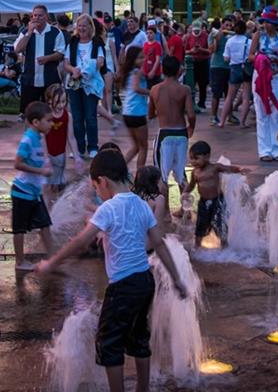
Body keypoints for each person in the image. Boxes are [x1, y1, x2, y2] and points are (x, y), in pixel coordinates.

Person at [35, 149, 189, 392]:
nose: (97, 192)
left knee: (109, 343)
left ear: (102, 182)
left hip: (123, 287)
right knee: (139, 337)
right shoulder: (140, 204)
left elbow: (80, 241)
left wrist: (51, 262)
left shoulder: (108, 208)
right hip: (144, 281)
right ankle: (143, 388)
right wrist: (177, 279)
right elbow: (158, 243)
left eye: (96, 187)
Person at [12, 100, 57, 271]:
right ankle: (20, 261)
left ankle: (53, 257)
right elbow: (17, 163)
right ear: (36, 122)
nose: (51, 124)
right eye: (48, 120)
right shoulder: (28, 139)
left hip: (34, 192)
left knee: (45, 224)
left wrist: (45, 168)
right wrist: (41, 172)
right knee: (19, 228)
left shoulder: (38, 138)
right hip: (22, 191)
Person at [148, 54, 196, 196]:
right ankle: (185, 210)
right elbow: (191, 114)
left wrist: (162, 111)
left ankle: (166, 212)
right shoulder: (184, 89)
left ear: (162, 70)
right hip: (181, 133)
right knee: (181, 174)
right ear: (178, 71)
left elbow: (150, 114)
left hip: (164, 134)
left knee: (161, 176)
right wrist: (191, 127)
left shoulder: (155, 90)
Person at [65, 13, 109, 158]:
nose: (82, 28)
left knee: (90, 116)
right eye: (80, 25)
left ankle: (92, 147)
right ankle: (78, 147)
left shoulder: (96, 43)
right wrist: (73, 70)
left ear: (90, 27)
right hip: (75, 84)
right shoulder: (72, 43)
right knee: (77, 117)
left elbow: (100, 61)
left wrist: (86, 70)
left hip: (90, 84)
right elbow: (66, 63)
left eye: (85, 25)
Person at [187, 140, 246, 246]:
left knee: (220, 226)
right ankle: (197, 246)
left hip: (217, 201)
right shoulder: (195, 172)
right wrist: (185, 193)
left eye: (196, 158)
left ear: (207, 156)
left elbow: (228, 168)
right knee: (200, 226)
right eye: (191, 158)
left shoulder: (215, 168)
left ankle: (224, 247)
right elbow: (191, 185)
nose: (193, 161)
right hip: (203, 203)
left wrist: (239, 169)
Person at [15, 4, 66, 110]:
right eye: (35, 15)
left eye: (40, 16)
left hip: (50, 78)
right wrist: (29, 33)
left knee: (52, 110)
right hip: (29, 79)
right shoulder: (25, 32)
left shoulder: (55, 32)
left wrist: (47, 58)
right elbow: (17, 49)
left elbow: (61, 53)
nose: (37, 18)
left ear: (46, 17)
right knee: (28, 112)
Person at [119, 45, 150, 171]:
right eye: (140, 58)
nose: (143, 59)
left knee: (136, 146)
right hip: (137, 113)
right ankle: (140, 174)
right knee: (143, 146)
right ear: (133, 59)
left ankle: (120, 169)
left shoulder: (128, 73)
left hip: (127, 113)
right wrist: (151, 92)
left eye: (143, 57)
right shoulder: (137, 72)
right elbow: (136, 88)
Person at [252, 49, 278, 163]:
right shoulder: (258, 36)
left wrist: (277, 60)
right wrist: (261, 59)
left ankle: (276, 149)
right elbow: (250, 56)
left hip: (276, 77)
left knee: (275, 117)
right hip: (260, 75)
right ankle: (264, 151)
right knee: (261, 116)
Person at [43, 82, 72, 201]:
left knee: (57, 185)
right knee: (45, 185)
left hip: (60, 156)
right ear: (49, 101)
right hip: (47, 154)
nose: (61, 105)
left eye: (63, 101)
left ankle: (53, 211)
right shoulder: (46, 116)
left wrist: (77, 156)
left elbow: (72, 138)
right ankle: (45, 209)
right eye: (58, 102)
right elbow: (42, 138)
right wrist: (45, 157)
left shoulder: (67, 116)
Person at [207, 17, 232, 128]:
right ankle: (213, 116)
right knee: (216, 93)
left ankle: (230, 115)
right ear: (222, 25)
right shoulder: (214, 35)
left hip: (229, 67)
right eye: (226, 25)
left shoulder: (232, 36)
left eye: (230, 25)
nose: (228, 27)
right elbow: (211, 50)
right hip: (217, 66)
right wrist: (218, 37)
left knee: (229, 93)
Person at [133, 165, 173, 229]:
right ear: (156, 182)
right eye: (161, 180)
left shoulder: (133, 197)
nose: (162, 183)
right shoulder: (159, 199)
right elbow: (157, 227)